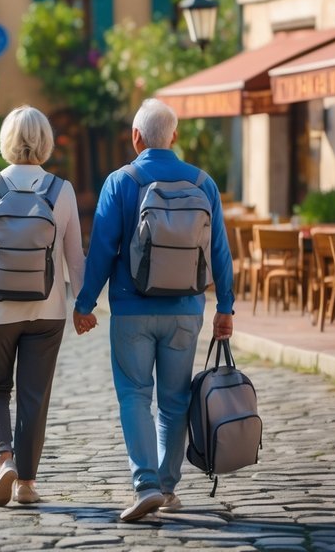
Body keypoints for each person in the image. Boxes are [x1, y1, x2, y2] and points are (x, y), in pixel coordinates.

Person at [72, 98, 234, 522]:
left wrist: (85, 303)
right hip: (185, 309)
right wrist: (226, 307)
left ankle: (145, 483)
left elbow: (103, 249)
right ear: (174, 136)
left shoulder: (120, 181)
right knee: (175, 400)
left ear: (136, 137)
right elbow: (220, 251)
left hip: (131, 309)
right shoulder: (203, 183)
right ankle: (167, 486)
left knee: (133, 395)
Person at [0, 106, 85, 507]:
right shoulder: (61, 190)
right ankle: (26, 485)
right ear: (45, 142)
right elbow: (74, 255)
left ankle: (4, 461)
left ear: (6, 141)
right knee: (34, 396)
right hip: (48, 310)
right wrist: (83, 303)